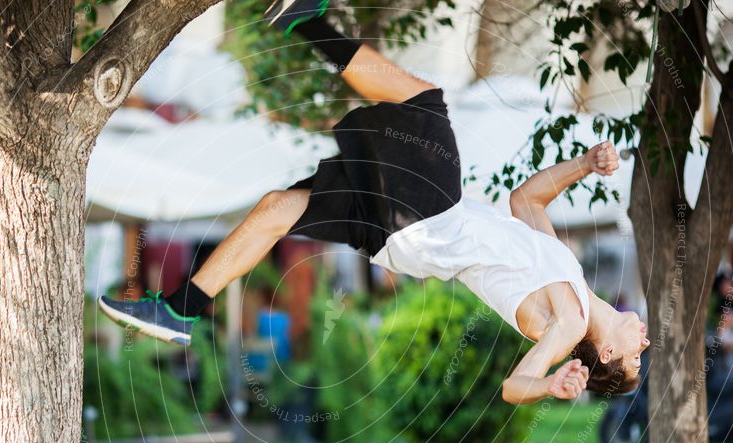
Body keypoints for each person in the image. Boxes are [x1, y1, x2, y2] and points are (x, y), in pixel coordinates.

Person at [98, 0, 650, 405]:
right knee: (275, 208)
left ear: (604, 355)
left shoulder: (570, 324)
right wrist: (582, 165)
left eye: (634, 356)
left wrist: (549, 384)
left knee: (425, 101)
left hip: (433, 219)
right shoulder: (569, 283)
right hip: (411, 235)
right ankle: (179, 311)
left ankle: (302, 18)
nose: (643, 341)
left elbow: (513, 387)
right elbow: (526, 200)